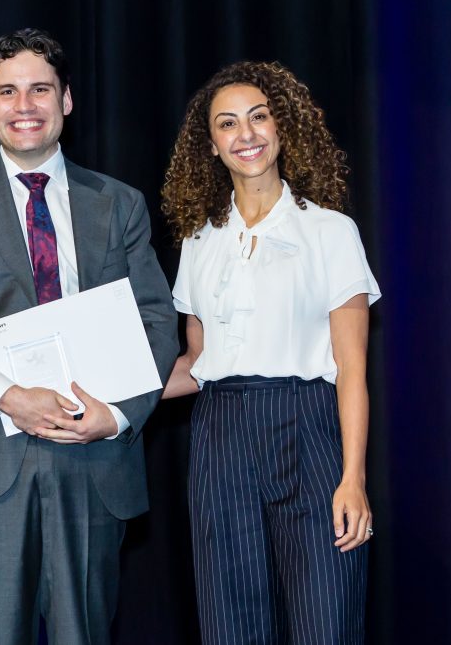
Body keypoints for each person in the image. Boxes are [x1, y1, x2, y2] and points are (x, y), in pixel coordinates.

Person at [0, 28, 179, 644]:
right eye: (7, 91)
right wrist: (8, 396)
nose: (23, 105)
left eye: (40, 90)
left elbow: (157, 322)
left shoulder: (119, 202)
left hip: (95, 454)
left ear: (66, 100)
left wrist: (116, 417)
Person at [161, 61, 378, 643]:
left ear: (282, 126)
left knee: (326, 621)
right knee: (231, 625)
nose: (246, 134)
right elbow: (196, 364)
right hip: (220, 436)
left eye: (258, 117)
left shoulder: (331, 231)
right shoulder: (198, 240)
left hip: (309, 429)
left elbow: (352, 369)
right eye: (228, 124)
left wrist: (352, 478)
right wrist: (112, 395)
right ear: (211, 145)